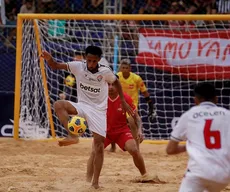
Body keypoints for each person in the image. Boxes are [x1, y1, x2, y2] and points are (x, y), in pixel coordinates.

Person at [41, 45, 133, 189]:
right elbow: (55, 65)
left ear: (98, 60)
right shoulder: (78, 66)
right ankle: (72, 135)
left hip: (99, 111)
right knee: (59, 105)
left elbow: (116, 82)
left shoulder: (105, 72)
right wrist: (49, 58)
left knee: (98, 147)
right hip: (82, 106)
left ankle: (95, 182)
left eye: (94, 61)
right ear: (85, 58)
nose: (91, 64)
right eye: (88, 60)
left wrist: (122, 100)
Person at [166, 82, 230, 192]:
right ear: (216, 99)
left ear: (195, 100)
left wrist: (189, 146)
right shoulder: (227, 114)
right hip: (223, 175)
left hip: (198, 173)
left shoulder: (189, 115)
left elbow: (170, 150)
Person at [87, 82, 152, 183]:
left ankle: (145, 175)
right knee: (94, 152)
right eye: (108, 85)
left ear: (119, 87)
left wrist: (140, 130)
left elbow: (137, 118)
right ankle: (87, 180)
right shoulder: (99, 98)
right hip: (104, 131)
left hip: (121, 131)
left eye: (113, 85)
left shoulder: (125, 98)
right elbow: (92, 115)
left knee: (134, 149)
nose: (111, 87)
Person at [109, 58, 156, 152]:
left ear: (130, 68)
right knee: (112, 123)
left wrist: (150, 104)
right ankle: (113, 146)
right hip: (118, 103)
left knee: (132, 123)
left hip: (131, 105)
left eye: (127, 68)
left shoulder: (136, 78)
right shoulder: (117, 77)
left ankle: (137, 147)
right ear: (120, 68)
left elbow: (145, 92)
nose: (125, 69)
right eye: (123, 68)